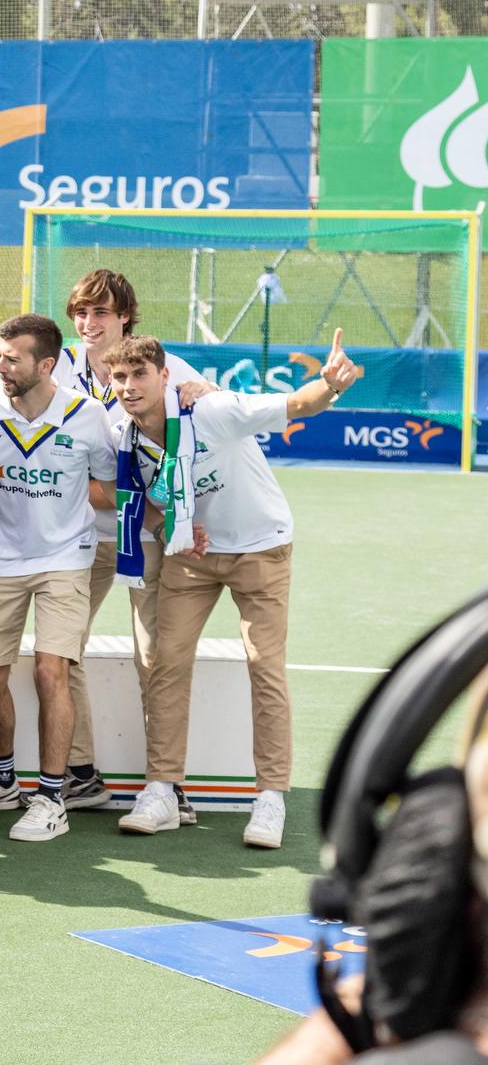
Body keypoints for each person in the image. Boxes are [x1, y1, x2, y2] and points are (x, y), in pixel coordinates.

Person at [109, 330, 364, 850]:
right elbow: (151, 505)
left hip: (262, 547)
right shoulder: (124, 436)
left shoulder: (212, 410)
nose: (130, 386)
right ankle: (160, 789)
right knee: (165, 663)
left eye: (140, 375)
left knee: (264, 666)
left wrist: (331, 386)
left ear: (164, 376)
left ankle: (270, 798)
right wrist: (170, 528)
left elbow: (298, 403)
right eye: (119, 378)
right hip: (193, 556)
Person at [0, 314, 115, 844]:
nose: (1, 365)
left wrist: (61, 505)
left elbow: (108, 487)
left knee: (50, 672)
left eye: (12, 357)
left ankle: (52, 797)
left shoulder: (86, 417)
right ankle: (1, 782)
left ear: (46, 365)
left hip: (66, 559)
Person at [55, 268, 216, 810]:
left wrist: (204, 389)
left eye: (100, 312)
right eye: (80, 311)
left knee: (155, 659)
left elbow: (215, 402)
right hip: (81, 538)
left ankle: (167, 784)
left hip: (147, 535)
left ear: (125, 317)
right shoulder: (58, 366)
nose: (88, 322)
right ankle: (80, 773)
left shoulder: (157, 365)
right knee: (62, 653)